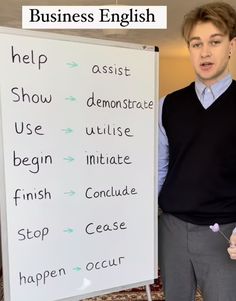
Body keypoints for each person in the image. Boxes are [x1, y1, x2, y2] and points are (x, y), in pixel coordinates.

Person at [158, 2, 236, 300]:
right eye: (196, 43)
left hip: (225, 233)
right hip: (172, 228)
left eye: (214, 42)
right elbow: (160, 169)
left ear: (230, 45)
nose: (205, 52)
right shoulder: (168, 104)